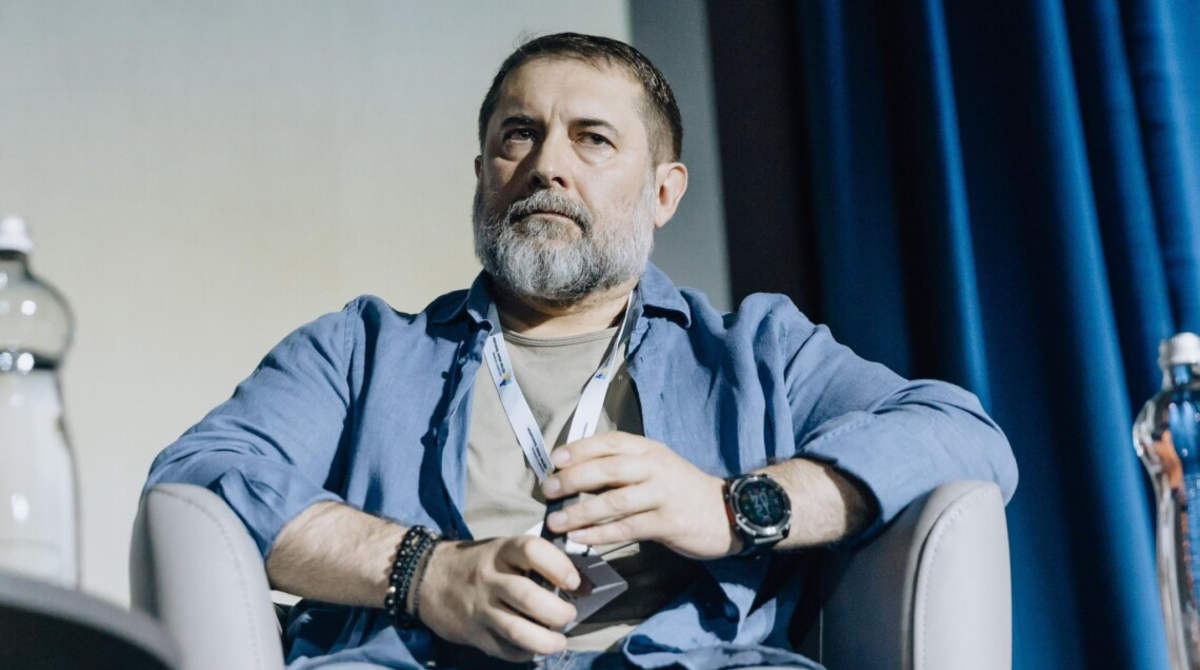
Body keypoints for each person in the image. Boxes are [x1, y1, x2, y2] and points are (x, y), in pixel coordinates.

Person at [145, 32, 1018, 670]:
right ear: (483, 175)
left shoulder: (758, 351)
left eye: (592, 139)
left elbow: (959, 433)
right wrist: (425, 573)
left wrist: (732, 508)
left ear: (663, 192)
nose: (546, 167)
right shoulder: (359, 352)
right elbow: (202, 473)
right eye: (517, 135)